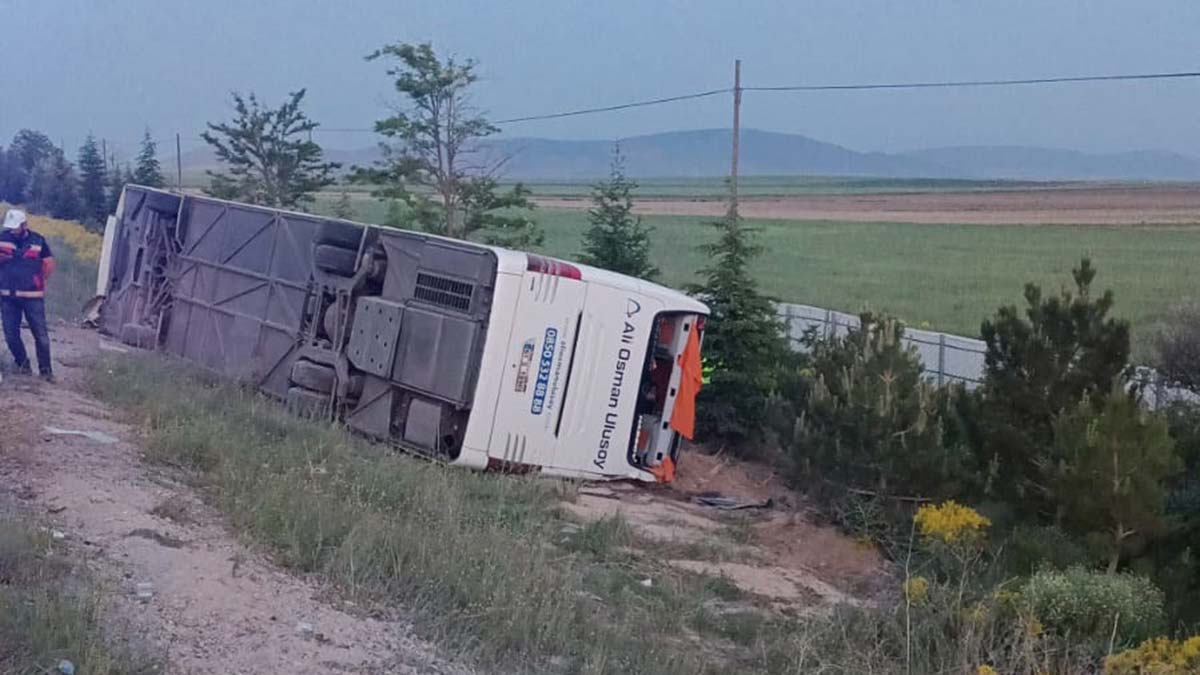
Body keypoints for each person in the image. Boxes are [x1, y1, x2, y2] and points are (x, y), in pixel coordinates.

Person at [0, 209, 55, 381]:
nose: (12, 230)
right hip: (8, 296)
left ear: (24, 225)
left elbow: (48, 264)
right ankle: (23, 365)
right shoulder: (2, 238)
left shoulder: (38, 241)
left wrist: (36, 280)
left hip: (33, 297)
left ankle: (46, 372)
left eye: (15, 227)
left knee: (41, 336)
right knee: (11, 335)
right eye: (10, 228)